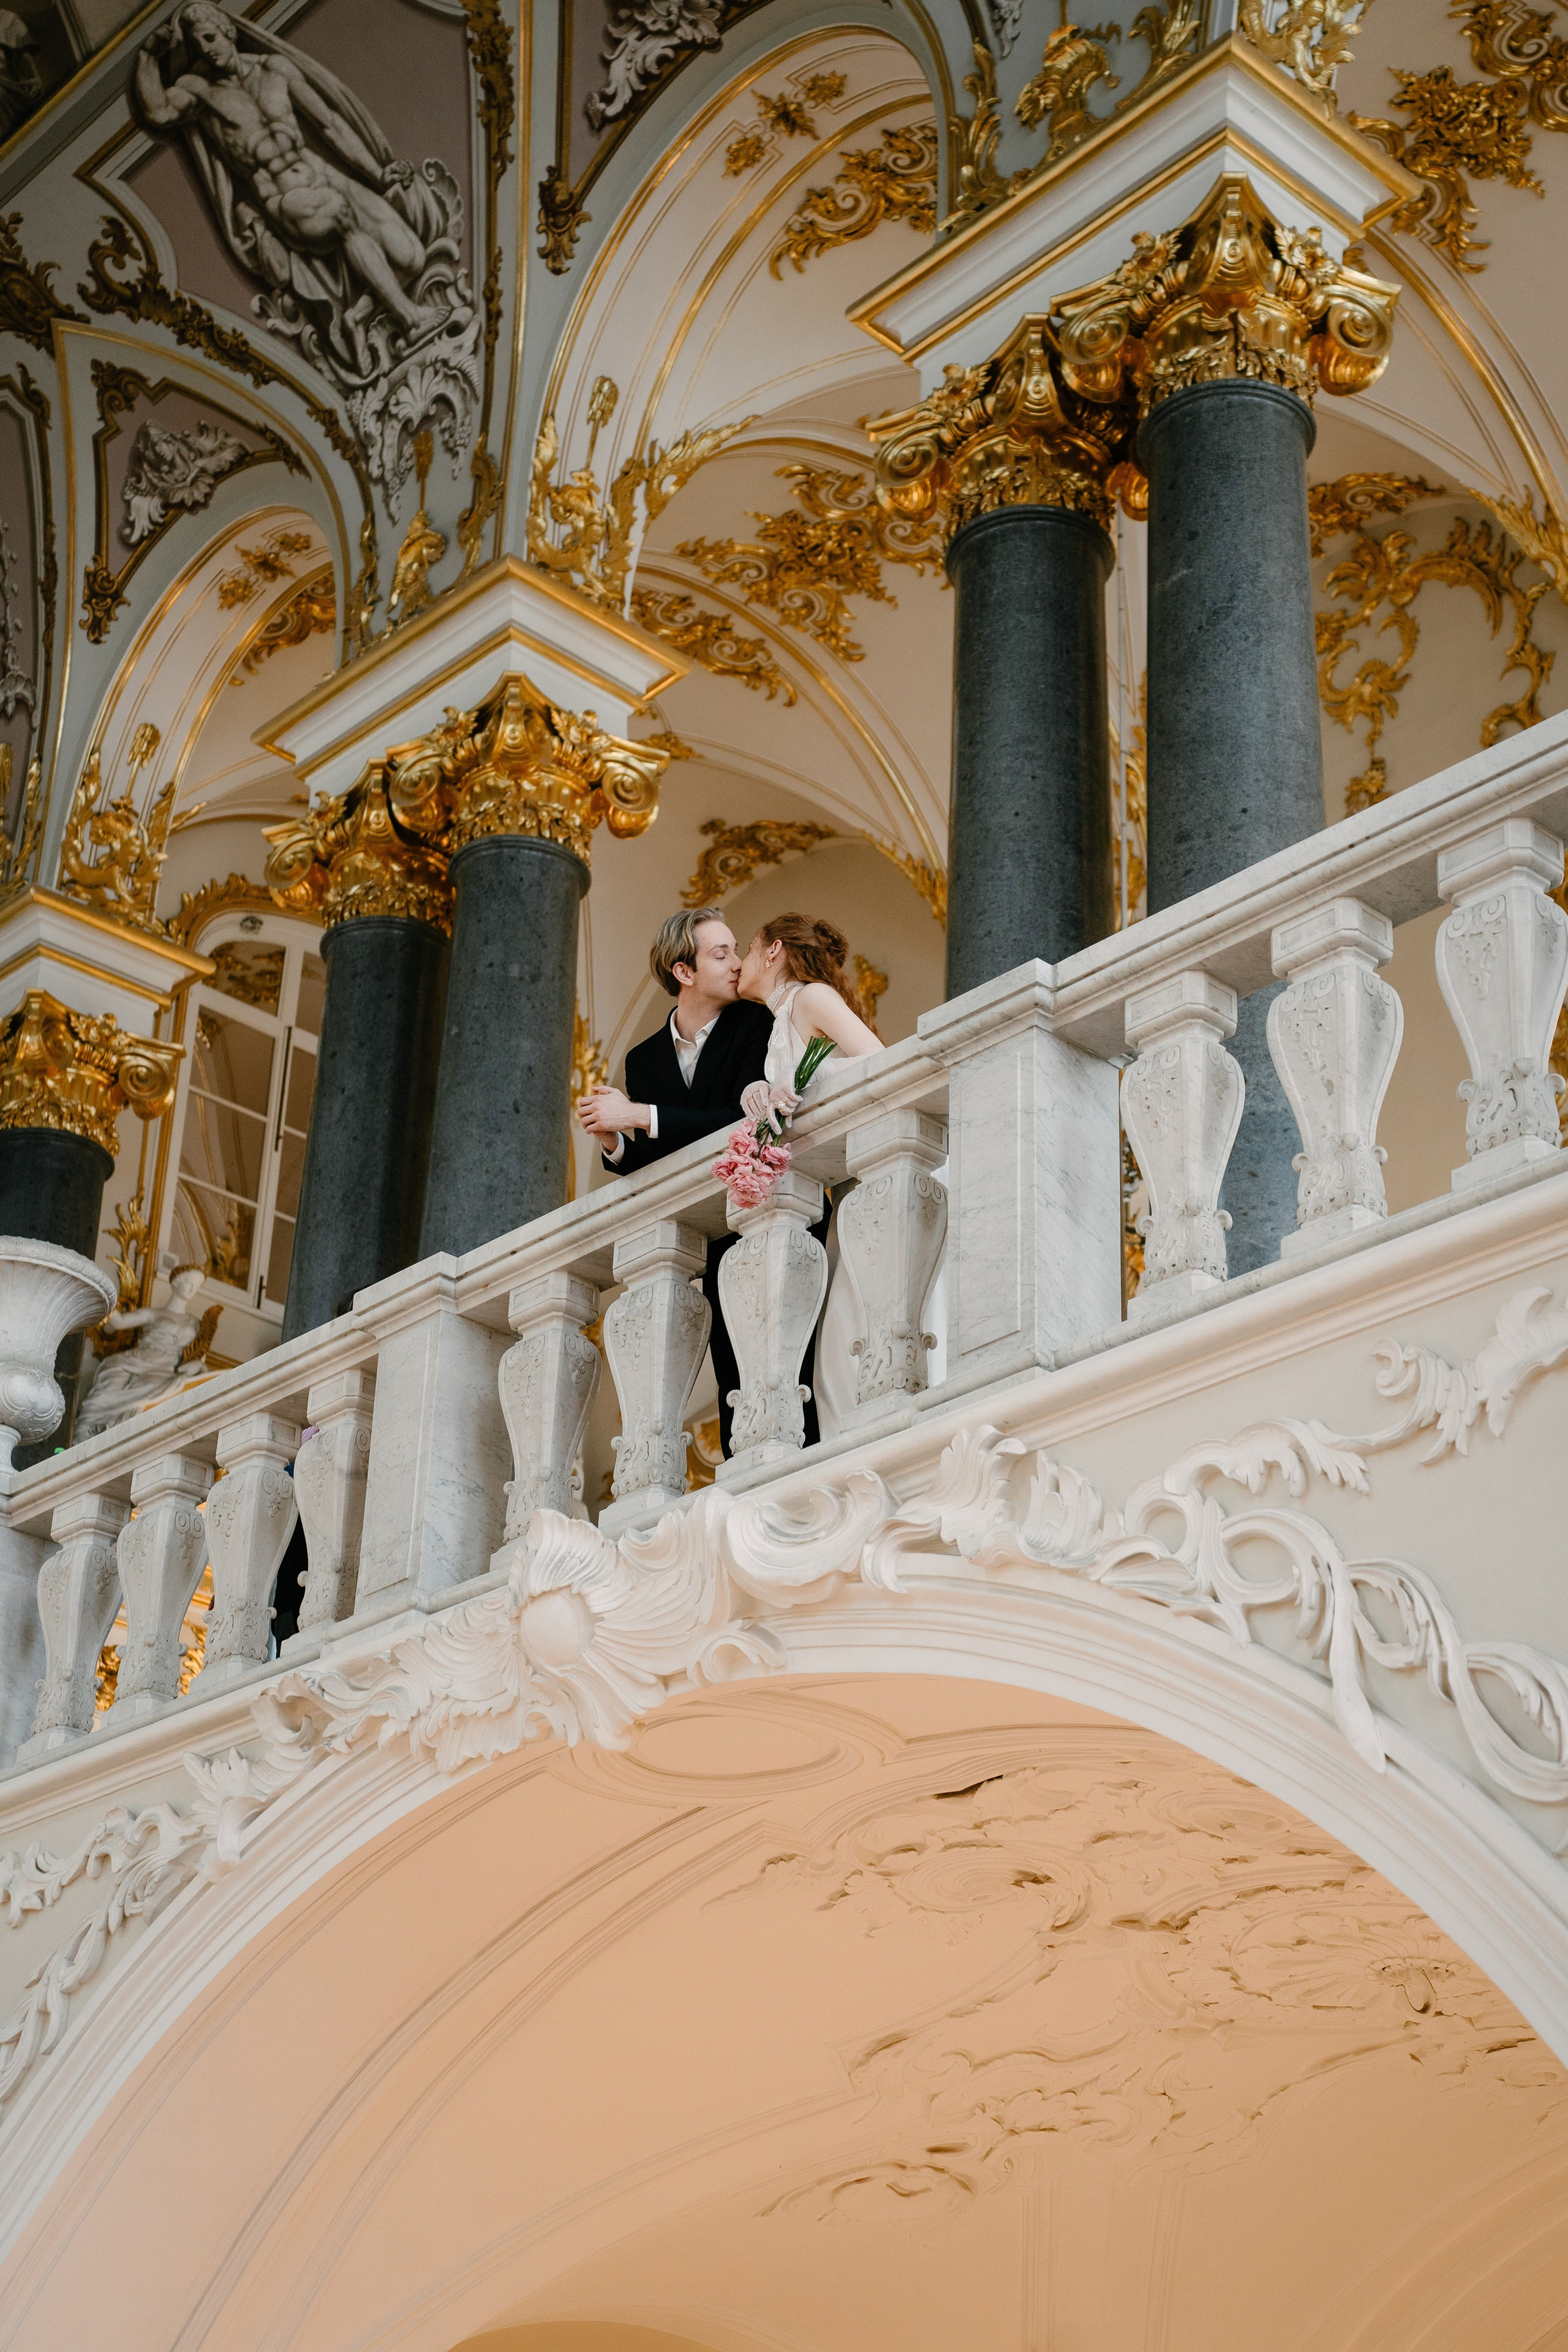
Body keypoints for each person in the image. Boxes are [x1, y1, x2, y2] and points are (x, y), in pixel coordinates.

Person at [577, 907, 772, 1460]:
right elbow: (658, 1164)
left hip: (759, 1213)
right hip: (708, 1240)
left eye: (735, 950)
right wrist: (613, 1142)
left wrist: (637, 1115)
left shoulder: (756, 1025)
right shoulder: (644, 1060)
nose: (738, 964)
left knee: (782, 1371)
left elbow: (741, 1125)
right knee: (731, 1369)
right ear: (684, 972)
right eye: (721, 954)